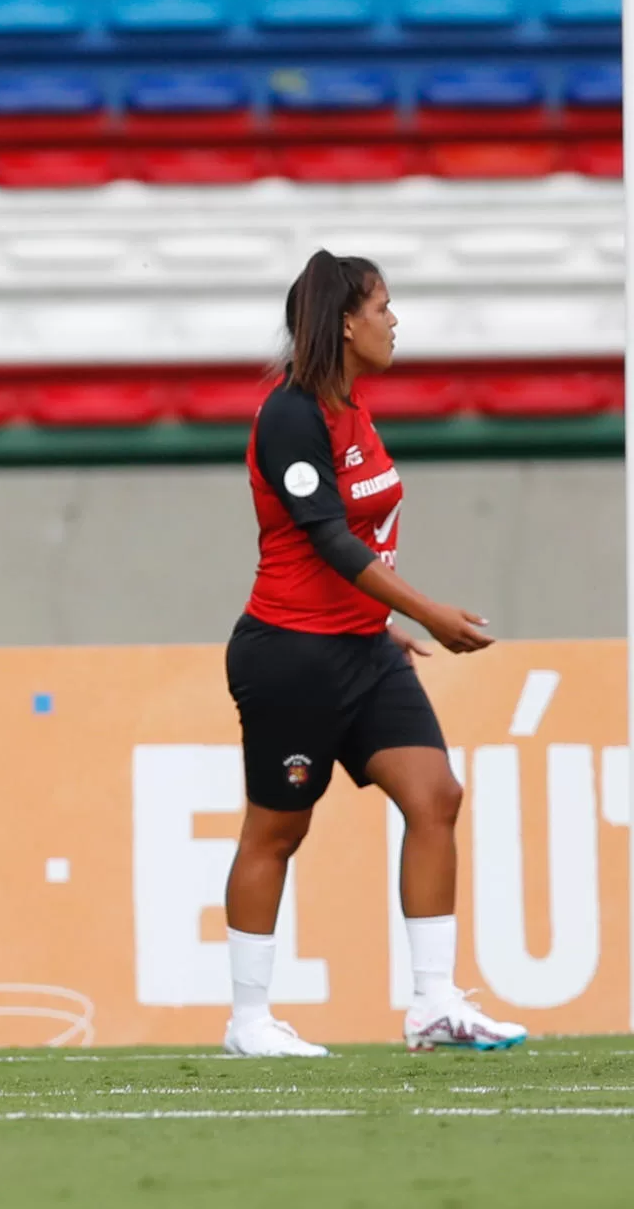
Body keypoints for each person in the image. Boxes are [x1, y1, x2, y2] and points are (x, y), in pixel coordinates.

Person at [222, 251, 526, 1058]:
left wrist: (388, 624)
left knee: (435, 796)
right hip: (290, 655)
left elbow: (355, 541)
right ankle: (248, 1019)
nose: (395, 322)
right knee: (276, 833)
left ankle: (432, 1003)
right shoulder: (291, 414)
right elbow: (321, 536)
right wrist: (431, 613)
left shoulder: (353, 410)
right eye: (384, 307)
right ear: (343, 322)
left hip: (362, 648)